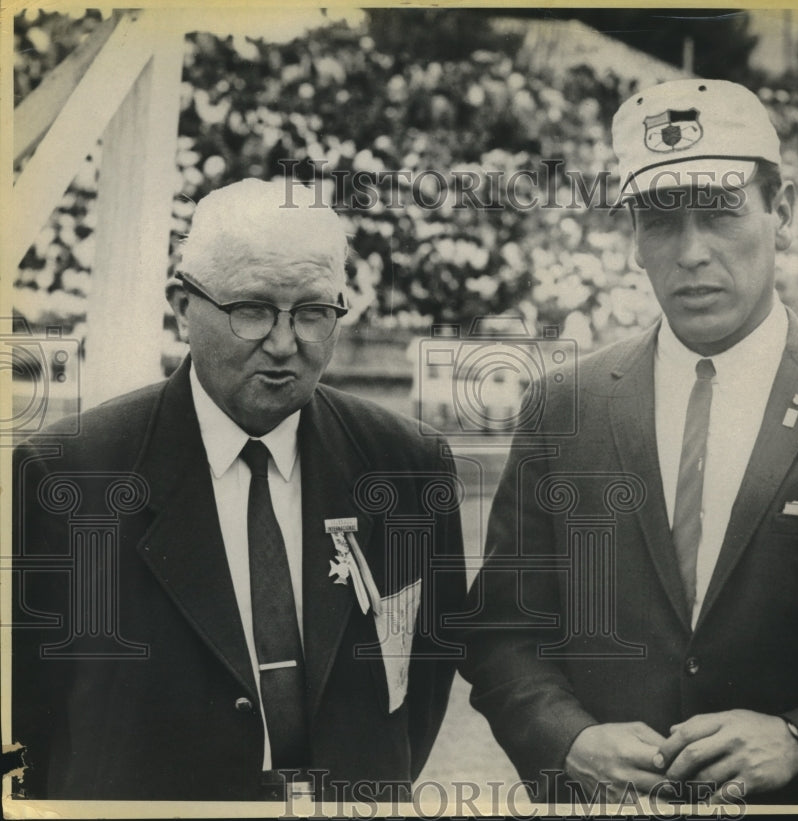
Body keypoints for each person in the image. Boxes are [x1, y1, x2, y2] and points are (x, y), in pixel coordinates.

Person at [460, 80, 798, 805]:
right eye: (660, 220)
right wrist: (569, 740)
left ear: (784, 212)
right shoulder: (562, 406)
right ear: (633, 238)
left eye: (719, 211)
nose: (692, 252)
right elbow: (501, 632)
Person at [12, 178, 467, 801]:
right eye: (251, 309)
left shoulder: (408, 467)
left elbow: (424, 682)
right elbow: (32, 721)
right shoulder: (69, 475)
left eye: (312, 313)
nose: (283, 344)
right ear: (182, 307)